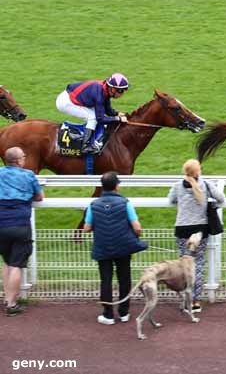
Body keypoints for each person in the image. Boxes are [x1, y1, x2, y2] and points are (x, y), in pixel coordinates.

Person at [83, 171, 145, 325]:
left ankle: (108, 314)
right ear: (117, 186)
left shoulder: (93, 205)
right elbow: (137, 227)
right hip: (123, 246)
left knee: (106, 280)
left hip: (103, 247)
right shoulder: (125, 203)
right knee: (124, 278)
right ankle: (124, 312)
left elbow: (86, 228)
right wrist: (135, 234)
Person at [168, 159, 225, 313]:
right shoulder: (205, 184)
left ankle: (185, 301)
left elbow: (171, 200)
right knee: (198, 264)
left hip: (181, 228)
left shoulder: (178, 185)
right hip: (200, 229)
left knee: (183, 266)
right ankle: (195, 301)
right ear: (198, 171)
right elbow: (221, 198)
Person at [0, 147, 44, 316]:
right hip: (19, 224)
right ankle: (11, 304)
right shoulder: (28, 175)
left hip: (1, 223)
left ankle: (7, 298)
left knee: (7, 262)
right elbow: (39, 197)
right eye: (24, 157)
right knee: (16, 265)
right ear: (19, 161)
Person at [55, 73, 130, 154]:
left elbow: (107, 110)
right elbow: (100, 119)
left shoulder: (105, 90)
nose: (122, 94)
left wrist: (117, 113)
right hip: (65, 102)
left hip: (75, 97)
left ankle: (96, 138)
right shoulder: (99, 95)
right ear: (112, 88)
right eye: (120, 91)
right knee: (92, 117)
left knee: (96, 116)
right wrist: (118, 119)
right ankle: (86, 145)